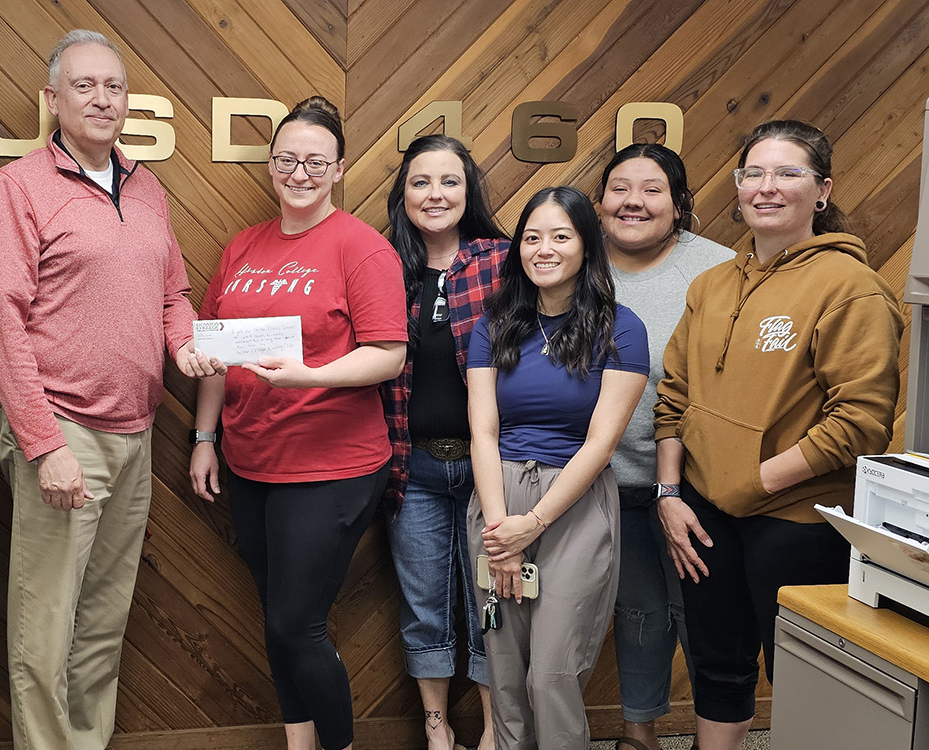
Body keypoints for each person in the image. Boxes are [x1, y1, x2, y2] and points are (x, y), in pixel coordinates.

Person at [0, 28, 207, 750]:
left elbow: (174, 294)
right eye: (84, 85)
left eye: (114, 86)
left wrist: (184, 343)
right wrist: (46, 446)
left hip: (136, 433)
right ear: (52, 99)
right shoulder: (18, 188)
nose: (102, 99)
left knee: (103, 620)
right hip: (63, 431)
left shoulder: (147, 187)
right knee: (45, 625)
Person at [655, 120, 903, 750]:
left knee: (805, 674)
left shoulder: (852, 287)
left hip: (797, 520)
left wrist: (755, 482)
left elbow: (860, 421)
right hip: (702, 513)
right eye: (754, 174)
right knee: (716, 661)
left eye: (788, 173)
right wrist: (670, 494)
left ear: (822, 191)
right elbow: (674, 398)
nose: (767, 187)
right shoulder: (711, 284)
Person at [190, 96, 407, 750]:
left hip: (331, 468)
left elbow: (389, 354)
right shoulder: (243, 246)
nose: (300, 173)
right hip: (251, 461)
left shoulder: (361, 248)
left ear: (338, 169)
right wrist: (205, 438)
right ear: (271, 165)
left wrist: (310, 375)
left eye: (316, 162)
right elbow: (216, 352)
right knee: (277, 619)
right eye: (287, 160)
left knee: (296, 626)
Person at [466, 186, 648, 750]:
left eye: (561, 236)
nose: (543, 249)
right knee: (505, 671)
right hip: (497, 501)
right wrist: (500, 532)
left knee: (551, 673)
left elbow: (601, 443)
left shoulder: (621, 328)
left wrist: (534, 523)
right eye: (531, 237)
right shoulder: (494, 325)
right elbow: (483, 432)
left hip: (574, 505)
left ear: (587, 245)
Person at [595, 143, 734, 750]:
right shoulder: (572, 259)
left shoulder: (717, 270)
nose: (633, 202)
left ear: (679, 205)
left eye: (652, 190)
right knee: (637, 614)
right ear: (600, 202)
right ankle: (638, 734)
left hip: (692, 488)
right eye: (619, 188)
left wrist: (673, 489)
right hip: (601, 484)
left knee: (698, 613)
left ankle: (713, 737)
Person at [380, 134, 507, 750]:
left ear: (468, 191)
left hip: (492, 470)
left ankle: (493, 729)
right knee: (424, 604)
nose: (435, 194)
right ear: (402, 194)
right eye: (421, 182)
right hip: (413, 469)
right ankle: (437, 727)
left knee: (493, 602)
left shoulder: (502, 262)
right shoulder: (382, 265)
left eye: (449, 181)